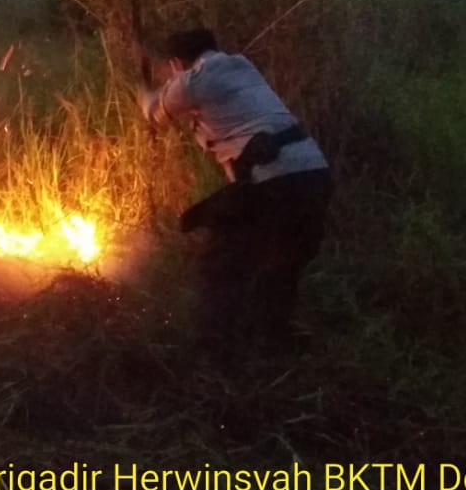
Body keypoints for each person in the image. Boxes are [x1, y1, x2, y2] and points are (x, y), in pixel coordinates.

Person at [138, 28, 332, 357]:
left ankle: (213, 355)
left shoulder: (192, 80)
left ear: (176, 63)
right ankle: (272, 347)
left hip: (272, 181)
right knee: (280, 266)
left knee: (221, 265)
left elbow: (153, 111)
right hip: (314, 175)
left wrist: (142, 90)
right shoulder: (242, 65)